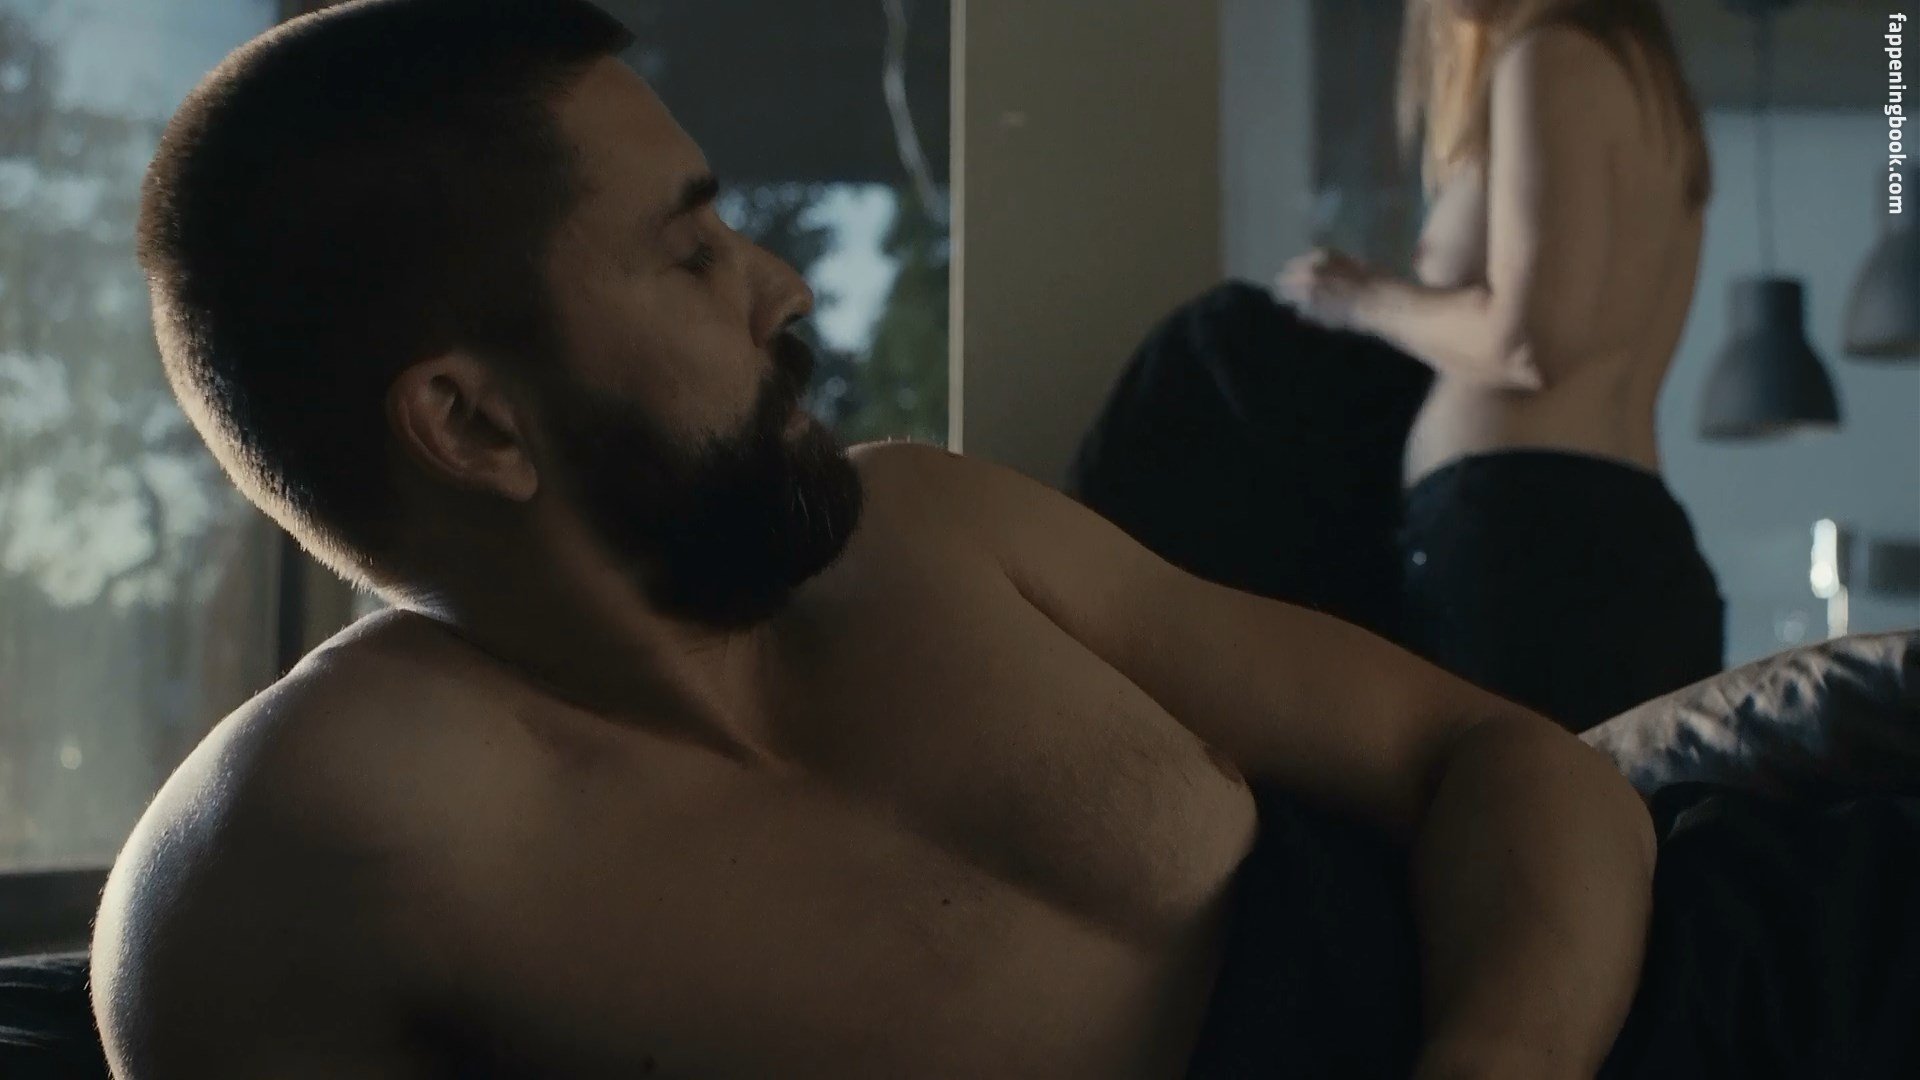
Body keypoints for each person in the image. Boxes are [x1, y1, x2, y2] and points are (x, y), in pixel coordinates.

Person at [89, 2, 1659, 1077]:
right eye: (689, 253)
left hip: (1644, 983)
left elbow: (1509, 761)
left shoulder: (929, 528)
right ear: (475, 422)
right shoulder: (283, 881)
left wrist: (1499, 1057)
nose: (779, 287)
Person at [1276, 0, 1725, 732]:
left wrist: (1361, 299)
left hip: (1527, 551)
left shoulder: (1550, 57)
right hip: (1618, 532)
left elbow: (1530, 343)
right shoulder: (1650, 89)